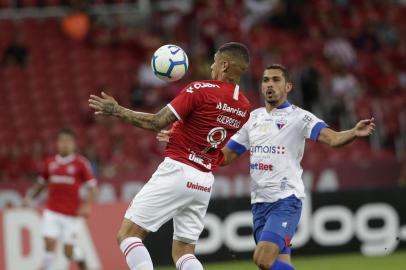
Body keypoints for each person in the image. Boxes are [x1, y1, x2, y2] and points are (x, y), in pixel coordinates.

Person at [158, 64, 375, 270]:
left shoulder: (300, 117)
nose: (269, 85)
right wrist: (186, 140)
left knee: (262, 259)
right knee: (278, 264)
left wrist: (353, 133)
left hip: (285, 201)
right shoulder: (253, 118)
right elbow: (224, 156)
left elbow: (334, 139)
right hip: (259, 204)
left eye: (276, 80)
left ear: (288, 86)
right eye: (265, 80)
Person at [88, 42, 251, 270]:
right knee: (184, 252)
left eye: (215, 61)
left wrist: (117, 110)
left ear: (224, 65)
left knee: (128, 235)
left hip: (178, 170)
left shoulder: (201, 89)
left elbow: (157, 121)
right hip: (203, 181)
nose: (212, 66)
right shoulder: (244, 106)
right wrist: (178, 134)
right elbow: (210, 137)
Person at [24, 128, 98, 270]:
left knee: (68, 252)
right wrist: (30, 197)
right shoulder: (49, 162)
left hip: (71, 215)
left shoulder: (80, 163)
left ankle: (81, 259)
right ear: (57, 143)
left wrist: (87, 206)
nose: (64, 144)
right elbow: (41, 183)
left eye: (68, 141)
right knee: (49, 244)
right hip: (51, 211)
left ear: (74, 144)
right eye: (62, 141)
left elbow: (92, 187)